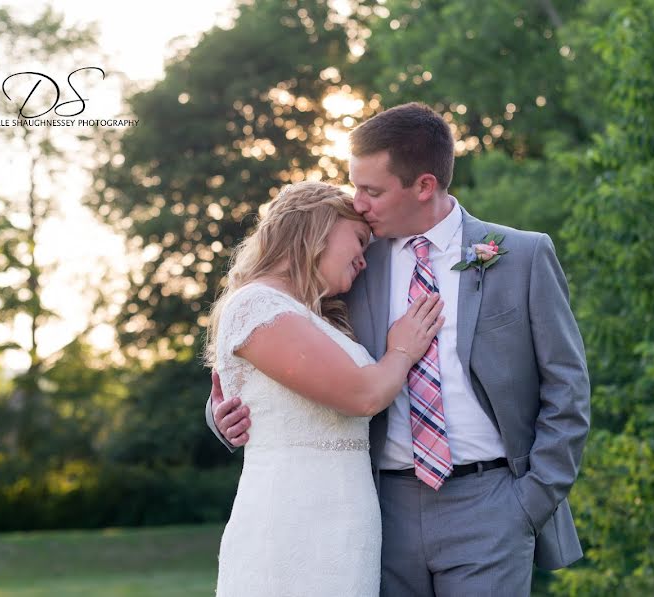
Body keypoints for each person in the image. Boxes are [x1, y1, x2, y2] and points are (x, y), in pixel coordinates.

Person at [207, 103, 590, 596]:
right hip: (380, 508)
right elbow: (278, 351)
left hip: (491, 502)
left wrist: (530, 501)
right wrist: (223, 413)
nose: (358, 203)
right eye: (355, 187)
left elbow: (567, 386)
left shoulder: (521, 256)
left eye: (372, 191)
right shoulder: (350, 263)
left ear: (424, 185)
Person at [204, 180, 445, 596]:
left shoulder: (309, 315)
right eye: (358, 239)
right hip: (291, 521)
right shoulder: (256, 305)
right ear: (318, 227)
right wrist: (403, 349)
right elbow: (363, 396)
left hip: (346, 523)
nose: (364, 260)